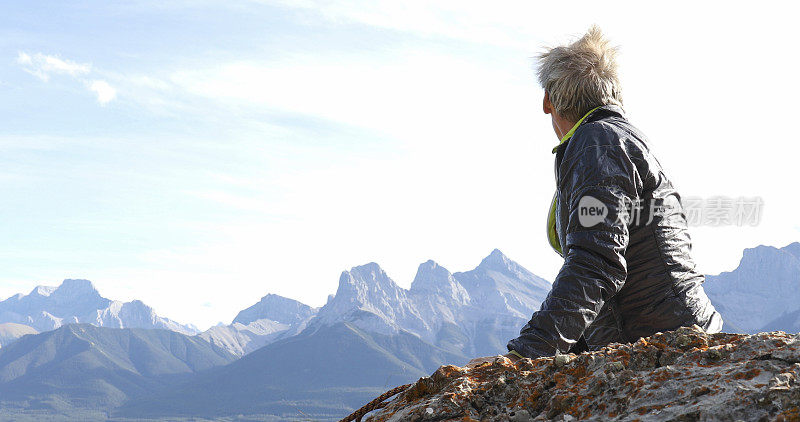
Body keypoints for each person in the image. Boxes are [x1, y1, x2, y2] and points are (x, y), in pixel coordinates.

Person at [467, 26, 722, 368]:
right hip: (673, 332)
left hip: (671, 347)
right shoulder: (616, 140)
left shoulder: (598, 144)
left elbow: (597, 261)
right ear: (613, 95)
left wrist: (525, 353)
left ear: (548, 101)